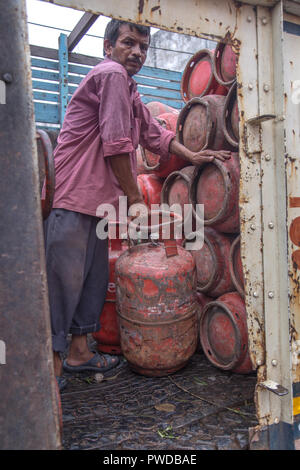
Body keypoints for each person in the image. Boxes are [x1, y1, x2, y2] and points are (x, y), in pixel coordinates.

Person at [44, 19, 230, 391]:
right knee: (62, 287)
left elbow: (153, 133)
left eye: (143, 47)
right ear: (108, 47)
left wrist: (192, 156)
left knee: (93, 283)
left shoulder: (127, 88)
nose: (137, 53)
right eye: (129, 43)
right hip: (74, 198)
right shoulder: (111, 74)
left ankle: (80, 353)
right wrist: (134, 200)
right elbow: (116, 144)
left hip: (96, 205)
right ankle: (49, 373)